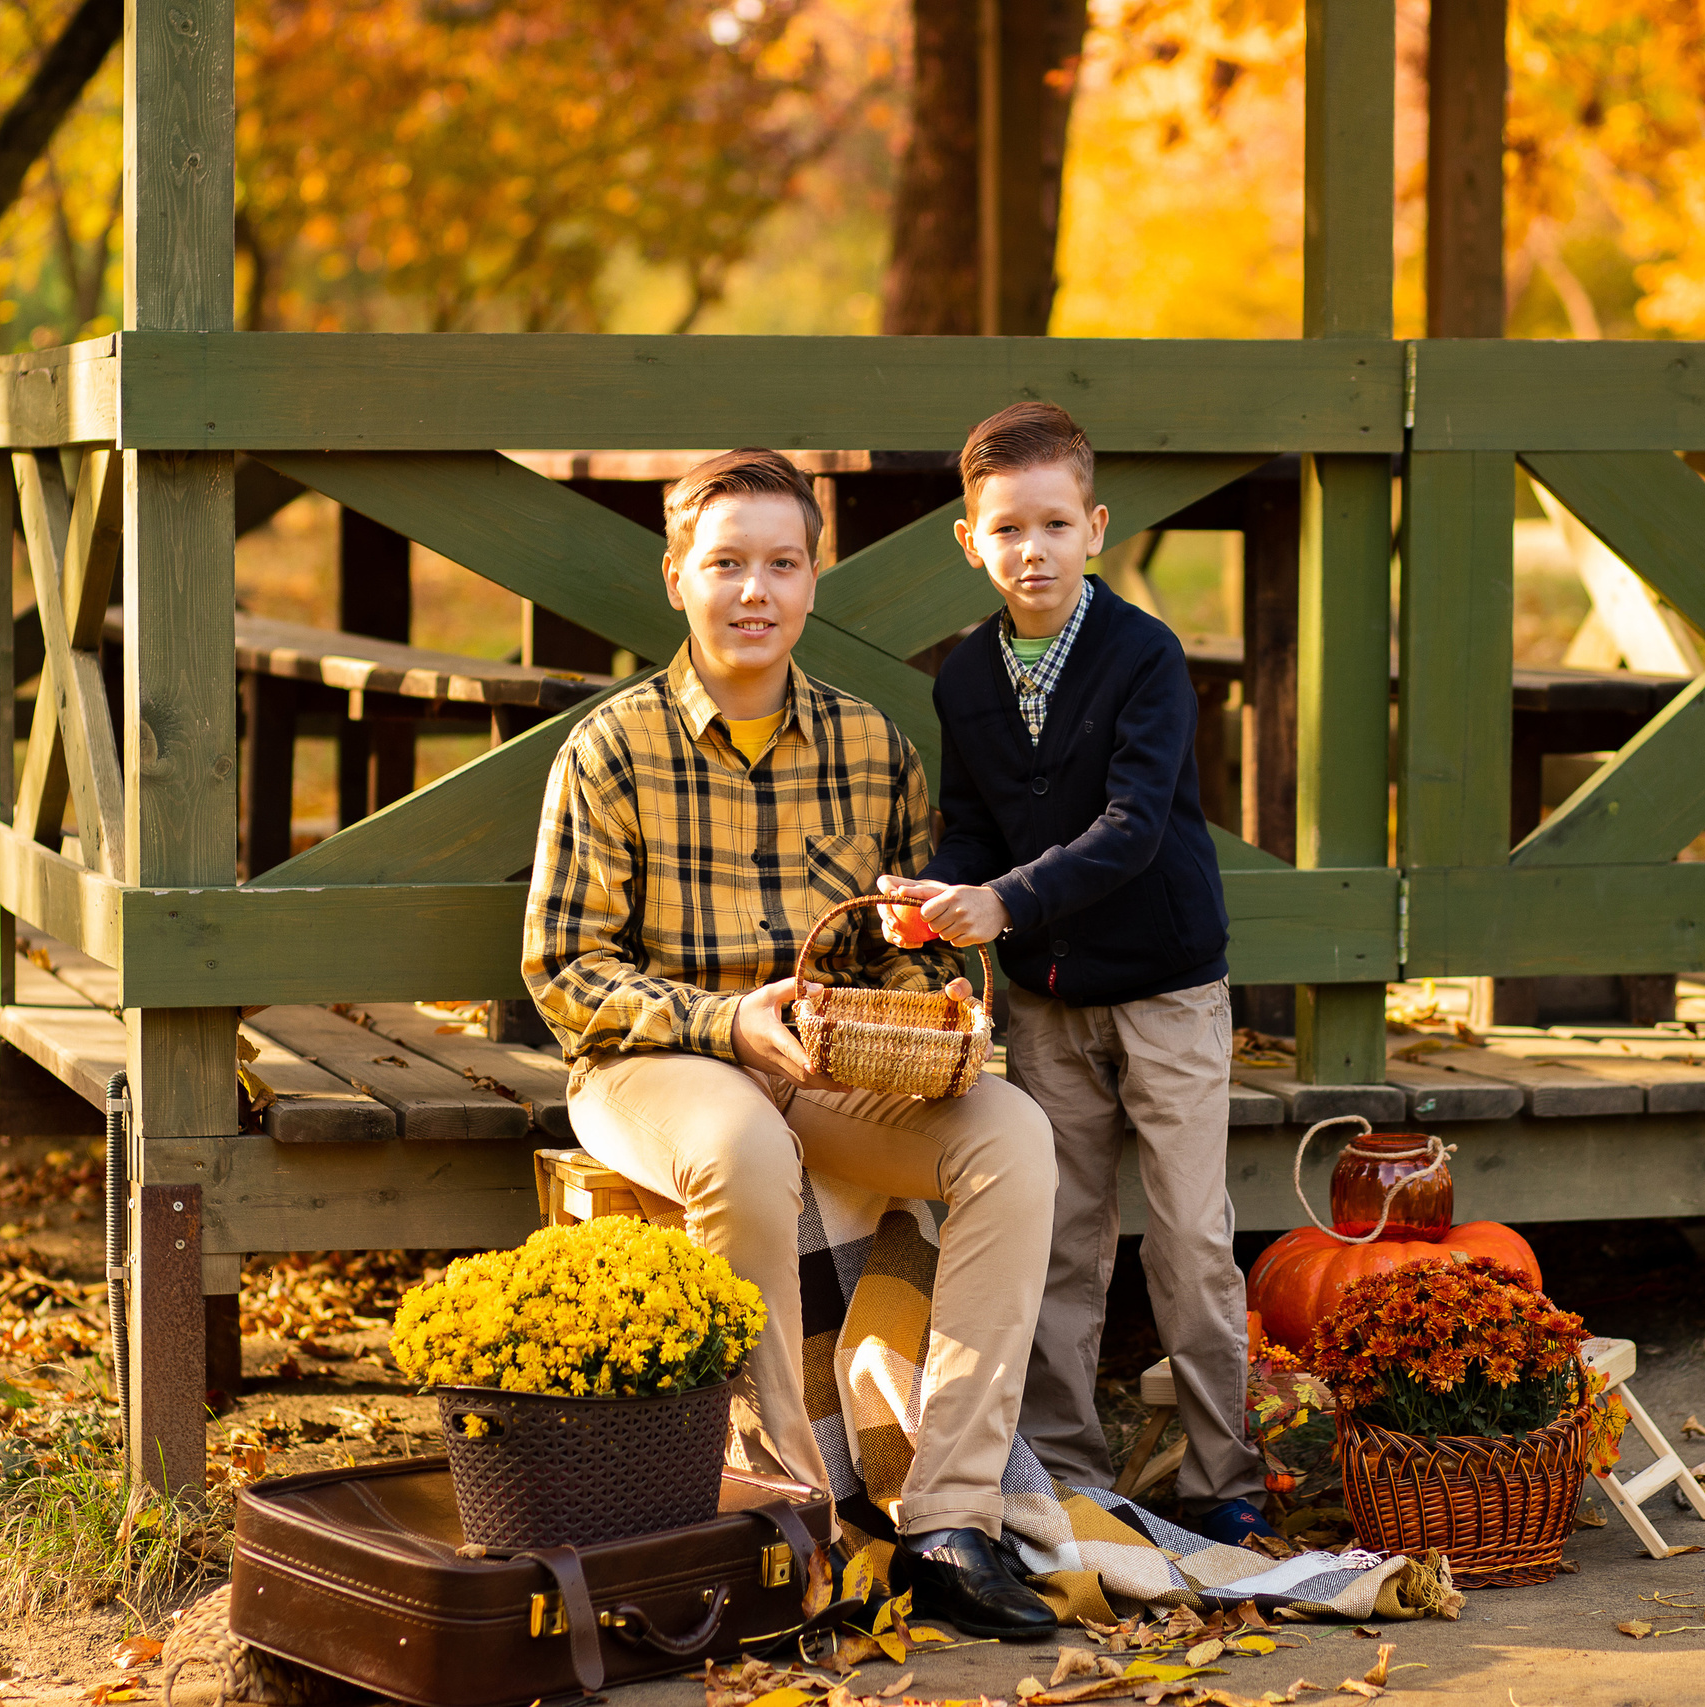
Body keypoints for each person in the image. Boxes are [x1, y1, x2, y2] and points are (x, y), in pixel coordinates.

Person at [523, 448, 1061, 1640]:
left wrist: (937, 1008)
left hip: (827, 1060)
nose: (753, 590)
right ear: (677, 579)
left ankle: (951, 1518)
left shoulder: (872, 747)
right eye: (725, 564)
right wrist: (725, 1023)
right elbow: (565, 973)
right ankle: (790, 1521)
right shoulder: (610, 751)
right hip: (653, 1063)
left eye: (780, 563)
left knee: (1012, 1139)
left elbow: (897, 945)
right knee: (742, 1148)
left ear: (814, 581)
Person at [880, 402, 1273, 1545]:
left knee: (1190, 1237)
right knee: (1060, 1239)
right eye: (1007, 530)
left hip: (1166, 988)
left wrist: (1004, 900)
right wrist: (937, 895)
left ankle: (1223, 1472)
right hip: (1049, 999)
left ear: (1095, 529)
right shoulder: (964, 678)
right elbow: (974, 828)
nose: (1033, 551)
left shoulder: (1143, 656)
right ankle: (1064, 1469)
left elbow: (1133, 825)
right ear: (972, 543)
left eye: (1055, 524)